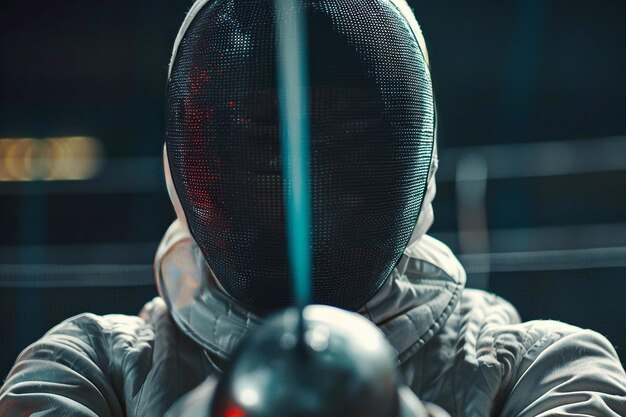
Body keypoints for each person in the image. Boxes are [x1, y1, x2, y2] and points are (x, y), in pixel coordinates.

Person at [1, 0, 625, 416]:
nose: (300, 184)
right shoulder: (92, 365)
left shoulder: (540, 368)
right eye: (260, 143)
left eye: (345, 140)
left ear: (412, 153)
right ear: (191, 161)